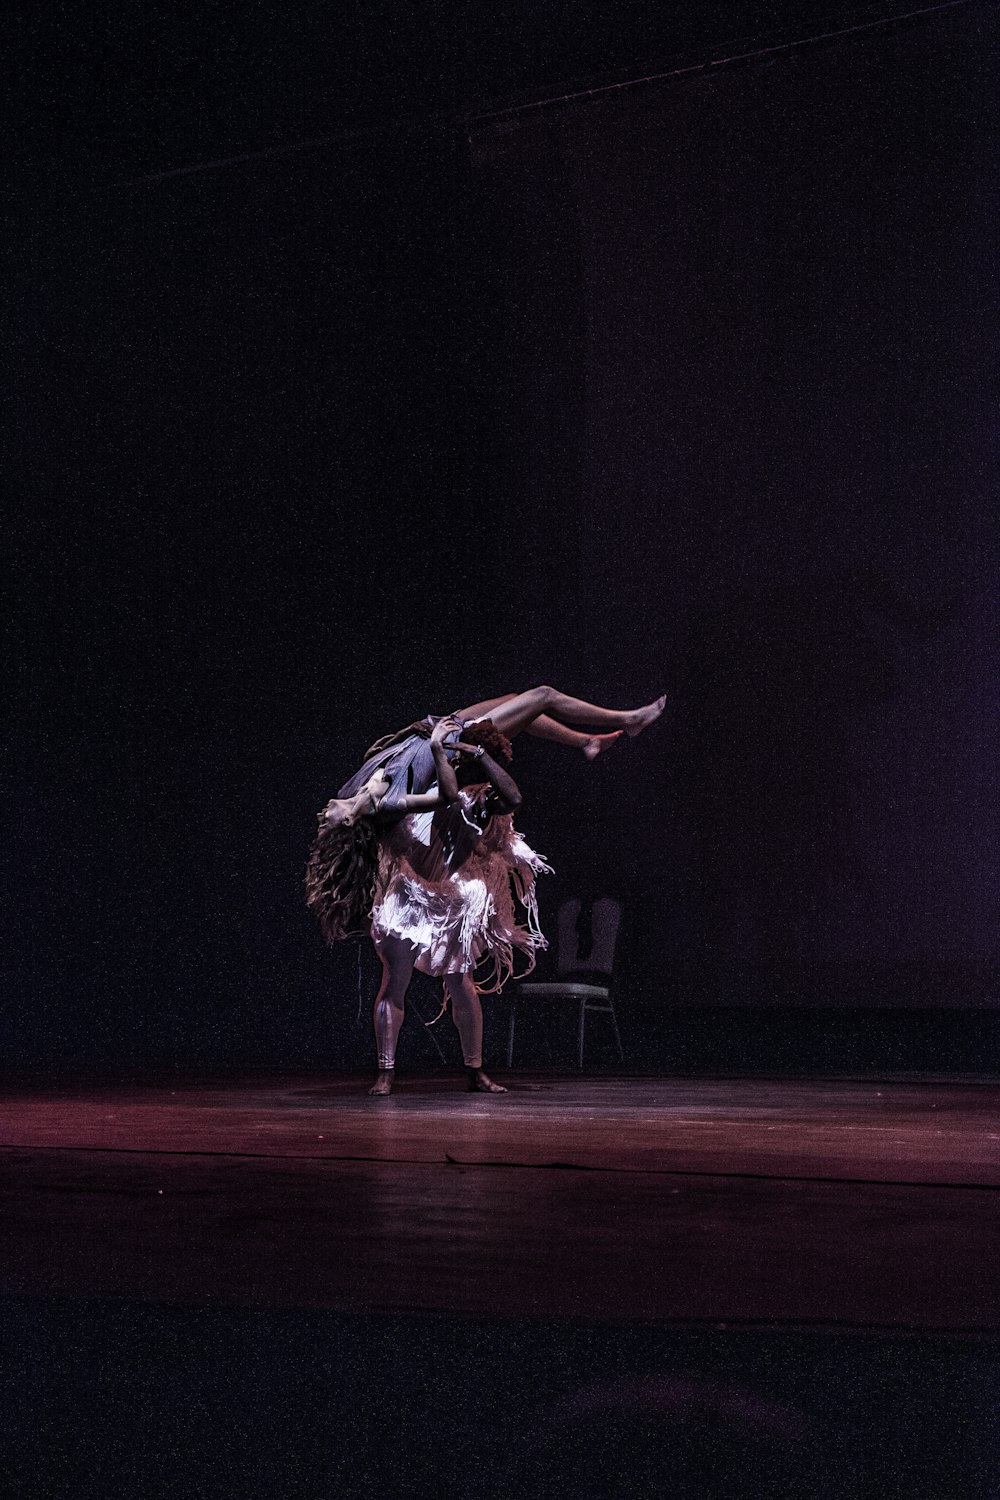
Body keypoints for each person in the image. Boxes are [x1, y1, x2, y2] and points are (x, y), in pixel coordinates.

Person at [365, 717, 548, 1096]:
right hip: (407, 894)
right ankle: (385, 1072)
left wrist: (478, 754)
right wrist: (435, 746)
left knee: (461, 984)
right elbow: (438, 793)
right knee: (395, 981)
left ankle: (474, 1070)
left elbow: (513, 797)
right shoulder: (425, 782)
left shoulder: (480, 802)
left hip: (449, 902)